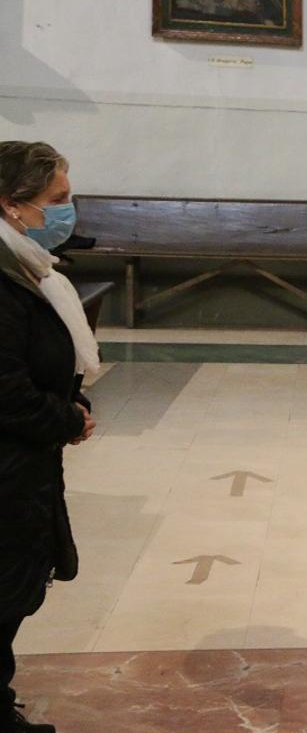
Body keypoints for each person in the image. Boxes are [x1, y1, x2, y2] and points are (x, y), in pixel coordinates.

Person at [0, 142, 99, 733]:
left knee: (12, 585)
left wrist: (71, 399)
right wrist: (65, 418)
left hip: (22, 463)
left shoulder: (21, 264)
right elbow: (5, 388)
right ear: (12, 206)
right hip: (8, 465)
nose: (67, 212)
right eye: (56, 201)